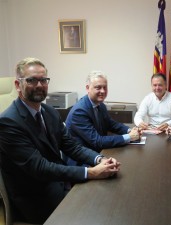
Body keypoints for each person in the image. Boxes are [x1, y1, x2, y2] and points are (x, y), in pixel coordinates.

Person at [0, 58, 121, 224]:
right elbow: (40, 168)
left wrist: (99, 159)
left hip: (59, 184)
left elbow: (72, 146)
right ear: (17, 84)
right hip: (36, 199)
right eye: (31, 80)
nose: (39, 85)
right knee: (95, 213)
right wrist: (91, 172)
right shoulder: (8, 122)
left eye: (43, 80)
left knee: (108, 203)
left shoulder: (50, 112)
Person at [65, 71, 140, 153]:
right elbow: (97, 141)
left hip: (98, 152)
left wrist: (130, 130)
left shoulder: (100, 105)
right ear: (87, 88)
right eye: (98, 87)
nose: (103, 91)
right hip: (82, 161)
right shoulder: (79, 112)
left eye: (105, 87)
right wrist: (129, 137)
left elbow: (112, 124)